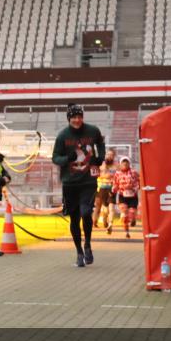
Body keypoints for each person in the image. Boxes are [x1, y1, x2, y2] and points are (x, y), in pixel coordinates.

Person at [51, 104, 106, 268]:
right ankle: (79, 252)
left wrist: (100, 157)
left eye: (79, 117)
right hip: (70, 182)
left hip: (88, 180)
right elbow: (55, 157)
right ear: (69, 119)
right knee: (74, 218)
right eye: (74, 117)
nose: (77, 120)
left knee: (86, 212)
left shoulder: (92, 131)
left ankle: (87, 244)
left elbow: (100, 143)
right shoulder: (63, 136)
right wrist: (67, 159)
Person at [111, 156, 140, 239]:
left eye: (126, 162)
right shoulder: (117, 174)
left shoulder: (134, 172)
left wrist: (134, 188)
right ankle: (127, 232)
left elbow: (139, 182)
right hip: (122, 195)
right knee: (124, 214)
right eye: (123, 162)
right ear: (120, 164)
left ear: (129, 163)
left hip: (132, 196)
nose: (125, 164)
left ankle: (133, 219)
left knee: (132, 213)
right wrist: (113, 190)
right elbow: (115, 184)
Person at [94, 148, 117, 234]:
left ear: (114, 156)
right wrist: (104, 176)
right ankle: (101, 219)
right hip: (101, 188)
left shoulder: (116, 166)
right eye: (108, 154)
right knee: (102, 208)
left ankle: (110, 224)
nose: (109, 156)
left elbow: (119, 176)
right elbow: (95, 174)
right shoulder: (101, 164)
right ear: (105, 155)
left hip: (111, 188)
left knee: (111, 208)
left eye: (111, 155)